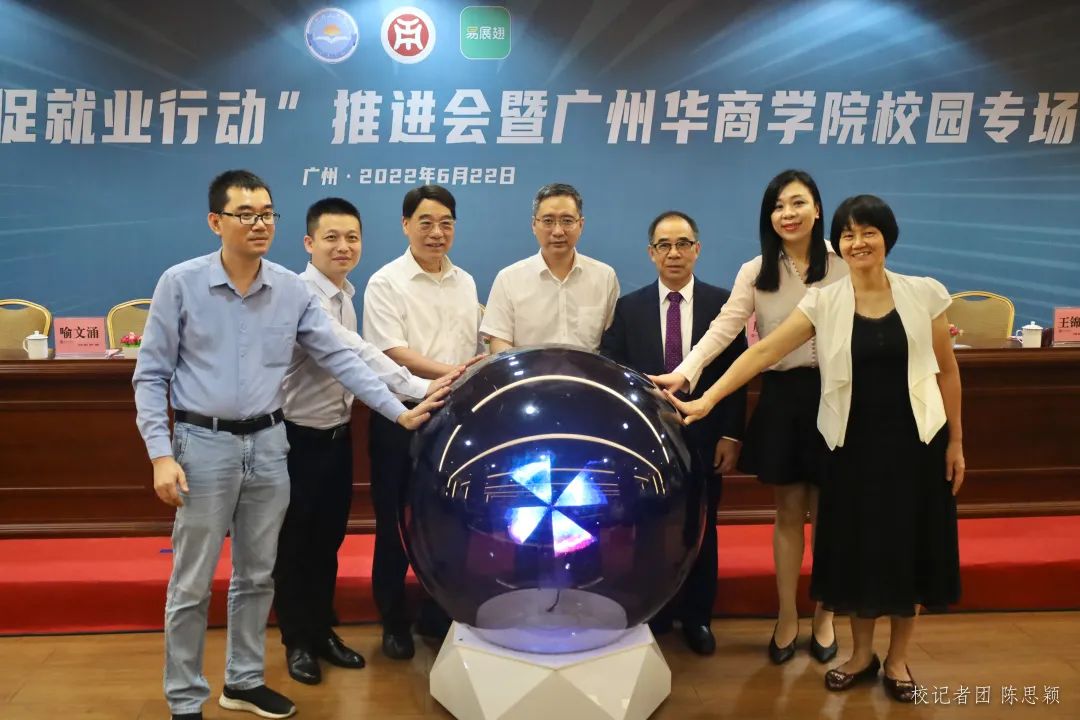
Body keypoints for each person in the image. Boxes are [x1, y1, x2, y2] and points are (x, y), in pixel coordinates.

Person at [133, 170, 444, 720]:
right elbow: (151, 374)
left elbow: (343, 357)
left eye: (266, 214)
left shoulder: (289, 289)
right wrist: (160, 453)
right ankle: (184, 699)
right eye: (245, 214)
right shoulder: (179, 283)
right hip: (202, 444)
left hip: (270, 444)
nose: (259, 224)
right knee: (192, 581)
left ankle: (244, 681)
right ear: (216, 221)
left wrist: (399, 409)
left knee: (259, 574)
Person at [666, 194, 964, 703]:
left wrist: (956, 440)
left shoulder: (924, 294)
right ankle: (861, 654)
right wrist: (706, 397)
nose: (858, 242)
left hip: (917, 443)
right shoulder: (824, 301)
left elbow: (947, 371)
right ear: (839, 243)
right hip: (851, 446)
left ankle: (898, 659)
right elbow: (763, 350)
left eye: (868, 232)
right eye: (849, 234)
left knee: (908, 549)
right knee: (857, 549)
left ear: (887, 238)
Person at [651, 169, 847, 664]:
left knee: (831, 516)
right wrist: (685, 373)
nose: (788, 214)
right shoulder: (757, 270)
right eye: (778, 206)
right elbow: (723, 331)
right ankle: (787, 617)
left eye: (797, 203)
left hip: (839, 394)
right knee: (788, 512)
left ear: (817, 208)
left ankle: (825, 616)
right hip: (785, 396)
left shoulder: (844, 263)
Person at [274, 198, 465, 685]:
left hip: (336, 436)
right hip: (295, 439)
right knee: (295, 544)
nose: (343, 246)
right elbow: (353, 356)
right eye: (331, 238)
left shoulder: (344, 293)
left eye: (352, 237)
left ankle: (321, 632)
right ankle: (297, 642)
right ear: (309, 243)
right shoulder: (300, 294)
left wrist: (422, 390)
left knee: (327, 541)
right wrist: (416, 391)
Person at [600, 210, 746, 655]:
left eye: (683, 244)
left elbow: (737, 375)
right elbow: (614, 372)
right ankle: (656, 611)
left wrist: (731, 435)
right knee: (647, 528)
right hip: (645, 444)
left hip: (705, 436)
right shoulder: (630, 308)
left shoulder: (724, 305)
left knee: (702, 527)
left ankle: (697, 617)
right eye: (664, 245)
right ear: (651, 253)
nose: (674, 253)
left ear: (697, 249)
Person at [362, 184, 483, 660]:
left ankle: (439, 612)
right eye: (426, 223)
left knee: (451, 519)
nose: (437, 233)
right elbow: (389, 351)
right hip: (401, 417)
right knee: (395, 523)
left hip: (454, 422)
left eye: (446, 223)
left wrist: (463, 374)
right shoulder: (385, 282)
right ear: (405, 225)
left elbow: (473, 345)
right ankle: (393, 621)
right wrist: (451, 373)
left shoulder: (466, 282)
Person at [480, 183, 619, 353]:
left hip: (587, 371)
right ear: (534, 225)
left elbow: (613, 343)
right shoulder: (508, 279)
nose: (558, 231)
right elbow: (499, 341)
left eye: (567, 221)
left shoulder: (605, 277)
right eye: (548, 221)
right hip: (529, 370)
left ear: (581, 225)